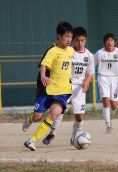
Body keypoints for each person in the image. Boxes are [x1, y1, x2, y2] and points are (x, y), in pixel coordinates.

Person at [22, 21, 74, 151]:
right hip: (47, 89)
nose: (69, 40)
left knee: (53, 114)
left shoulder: (71, 51)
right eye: (66, 36)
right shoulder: (52, 50)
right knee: (37, 116)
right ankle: (30, 119)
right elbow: (43, 65)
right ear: (59, 36)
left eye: (70, 37)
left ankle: (31, 141)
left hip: (63, 91)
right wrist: (44, 76)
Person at [42, 27, 95, 145]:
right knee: (59, 110)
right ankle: (52, 132)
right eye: (77, 40)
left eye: (82, 40)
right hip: (66, 84)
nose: (79, 43)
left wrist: (86, 82)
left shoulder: (90, 56)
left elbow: (90, 72)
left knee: (79, 116)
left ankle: (75, 136)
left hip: (79, 87)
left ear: (85, 40)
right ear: (73, 40)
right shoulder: (68, 51)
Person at [95, 33, 118, 133]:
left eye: (111, 40)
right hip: (103, 77)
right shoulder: (99, 53)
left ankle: (109, 113)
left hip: (115, 79)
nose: (109, 42)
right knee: (105, 100)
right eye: (107, 40)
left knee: (114, 105)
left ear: (115, 42)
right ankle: (108, 125)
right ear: (104, 42)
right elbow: (92, 64)